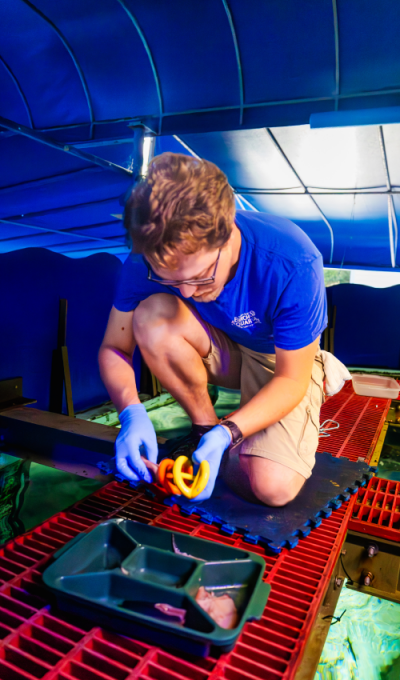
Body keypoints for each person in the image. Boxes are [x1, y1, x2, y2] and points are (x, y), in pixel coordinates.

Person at [99, 152, 327, 506]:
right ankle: (203, 428)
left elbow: (290, 380)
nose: (188, 292)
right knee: (152, 315)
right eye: (171, 280)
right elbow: (114, 347)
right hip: (219, 348)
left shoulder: (293, 261)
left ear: (229, 230)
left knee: (273, 488)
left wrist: (230, 433)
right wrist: (131, 412)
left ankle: (226, 443)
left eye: (200, 276)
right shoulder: (145, 261)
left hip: (278, 362)